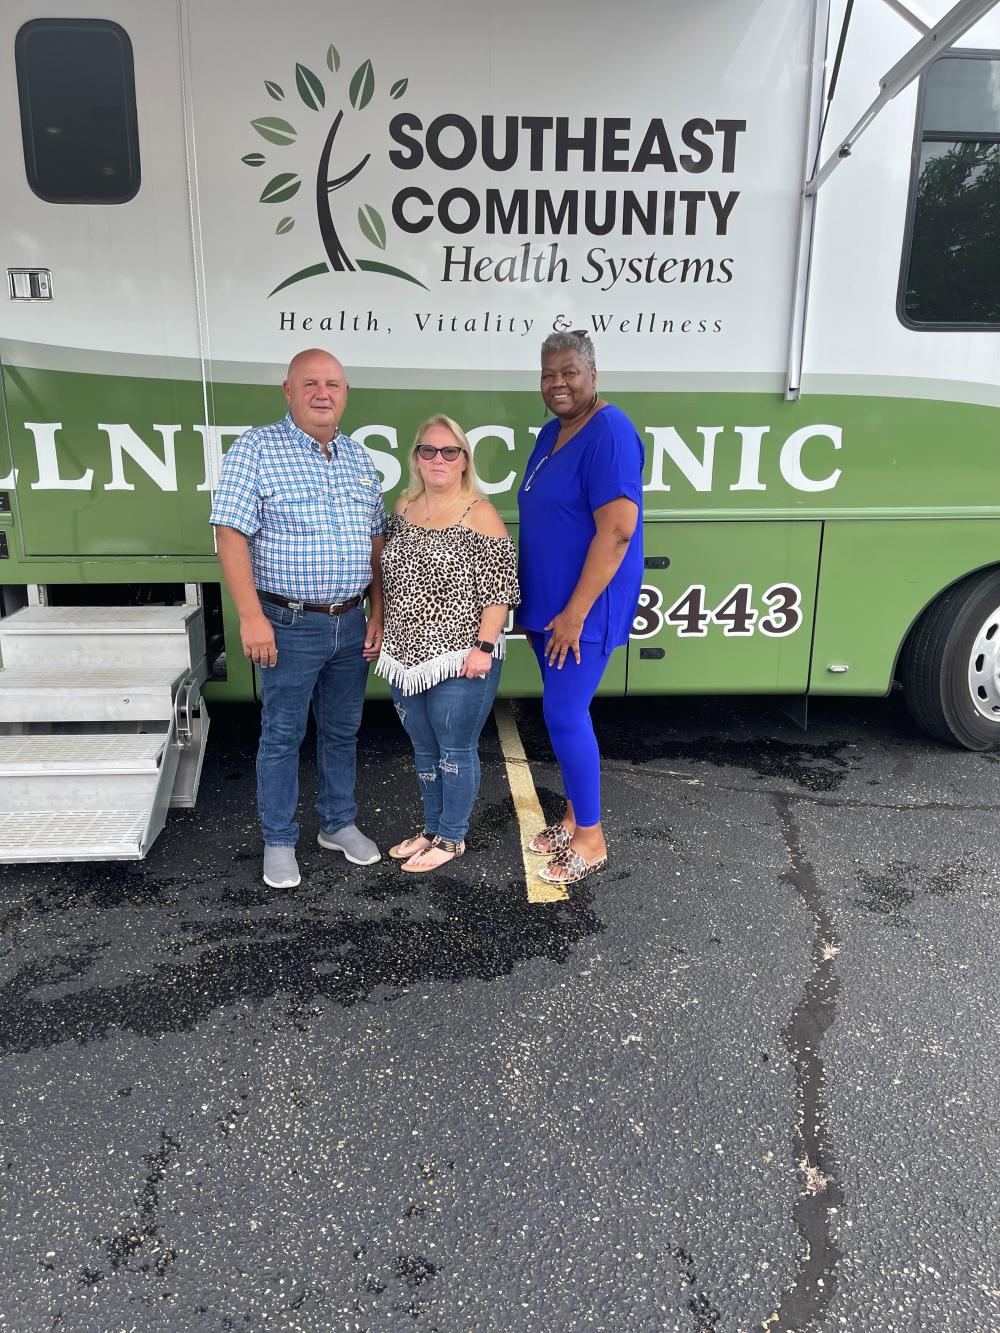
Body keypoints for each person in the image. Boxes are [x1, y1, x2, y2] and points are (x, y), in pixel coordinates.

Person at [210, 348, 387, 889]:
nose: (322, 393)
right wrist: (250, 618)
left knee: (342, 730)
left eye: (333, 383)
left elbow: (377, 542)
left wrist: (377, 611)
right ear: (287, 390)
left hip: (350, 620)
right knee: (282, 734)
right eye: (310, 382)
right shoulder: (256, 450)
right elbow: (229, 534)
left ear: (346, 393)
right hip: (286, 623)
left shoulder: (359, 458)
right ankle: (279, 838)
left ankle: (337, 824)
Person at [516, 331, 644, 886]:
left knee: (565, 715)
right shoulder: (551, 433)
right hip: (548, 608)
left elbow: (616, 531)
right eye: (548, 375)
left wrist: (574, 614)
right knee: (562, 712)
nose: (557, 383)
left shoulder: (609, 431)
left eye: (569, 372)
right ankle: (572, 818)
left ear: (593, 374)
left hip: (581, 610)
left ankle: (591, 838)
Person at [376, 415, 519, 873]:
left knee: (455, 748)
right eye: (428, 450)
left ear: (463, 461)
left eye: (449, 451)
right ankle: (433, 827)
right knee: (423, 747)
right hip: (404, 657)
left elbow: (502, 589)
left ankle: (453, 838)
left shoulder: (480, 513)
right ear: (416, 458)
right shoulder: (402, 506)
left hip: (460, 655)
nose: (438, 459)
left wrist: (483, 646)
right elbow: (384, 574)